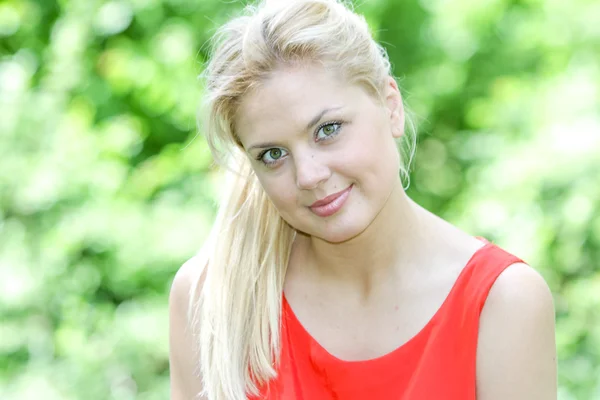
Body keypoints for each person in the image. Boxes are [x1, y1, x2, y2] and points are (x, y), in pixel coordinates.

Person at [168, 0, 558, 399]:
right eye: (273, 154)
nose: (309, 175)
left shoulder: (502, 303)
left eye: (328, 129)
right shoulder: (210, 303)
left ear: (391, 104)